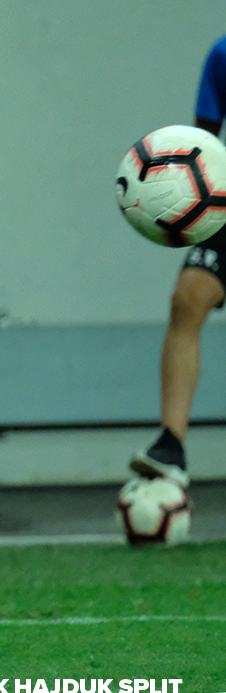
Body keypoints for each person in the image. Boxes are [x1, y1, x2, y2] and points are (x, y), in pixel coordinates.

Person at [130, 38, 226, 489]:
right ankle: (171, 447)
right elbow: (202, 146)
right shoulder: (223, 53)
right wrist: (183, 205)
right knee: (188, 297)